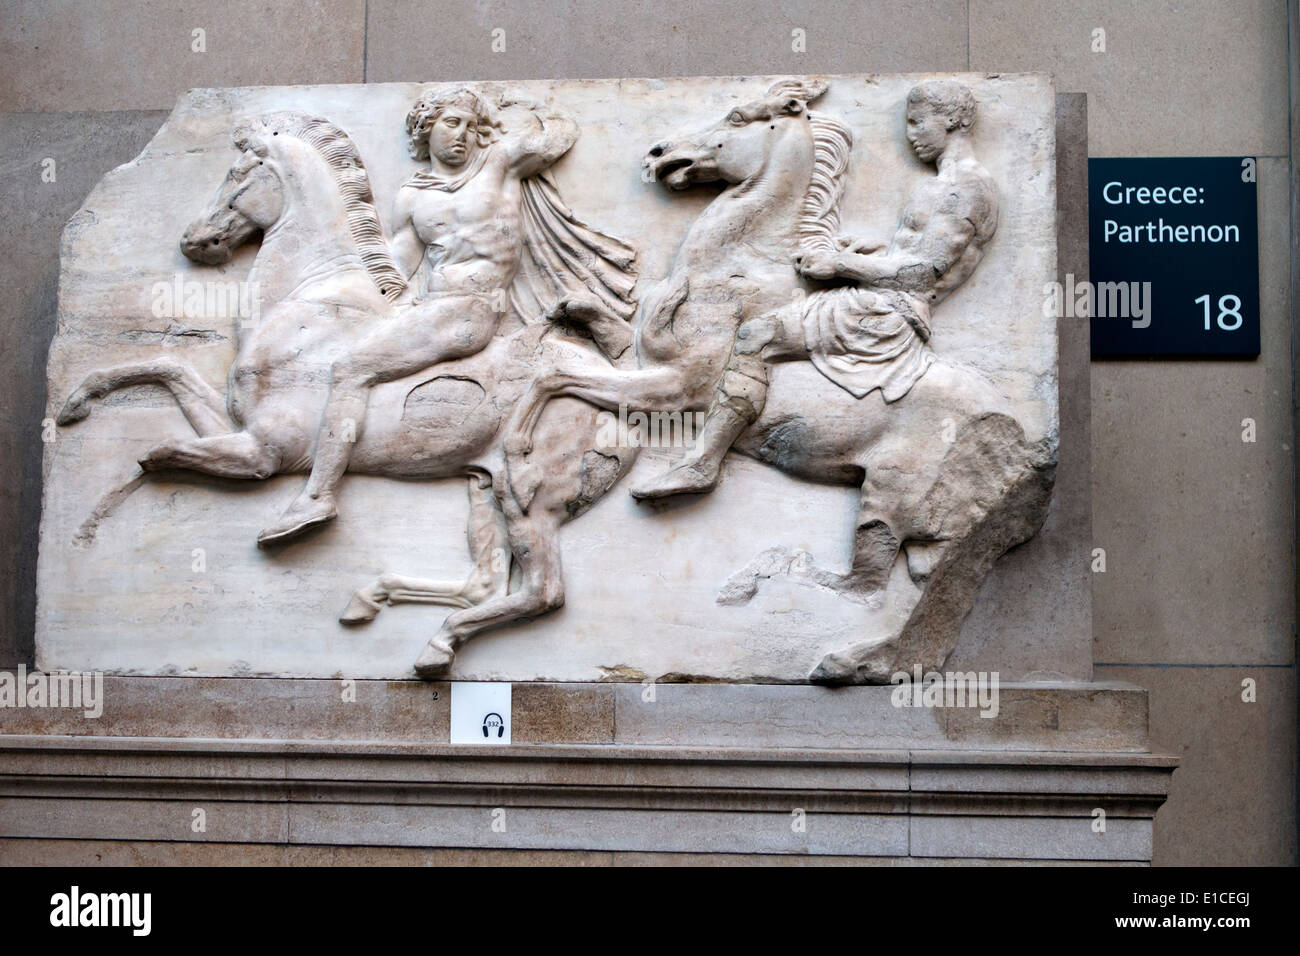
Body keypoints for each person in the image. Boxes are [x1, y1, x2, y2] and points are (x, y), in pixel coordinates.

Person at [259, 86, 635, 545]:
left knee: (351, 368)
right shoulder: (413, 196)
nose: (463, 135)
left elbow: (561, 134)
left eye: (471, 127)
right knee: (347, 353)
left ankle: (318, 495)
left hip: (470, 313)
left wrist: (513, 112)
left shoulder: (498, 164)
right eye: (451, 123)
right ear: (425, 130)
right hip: (431, 308)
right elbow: (398, 269)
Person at [629, 79, 999, 500]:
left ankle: (702, 463)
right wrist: (868, 251)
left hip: (887, 313)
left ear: (951, 120)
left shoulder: (966, 186)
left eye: (918, 122)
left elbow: (927, 272)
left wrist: (841, 264)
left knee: (757, 334)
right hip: (878, 297)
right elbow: (909, 252)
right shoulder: (938, 183)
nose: (912, 133)